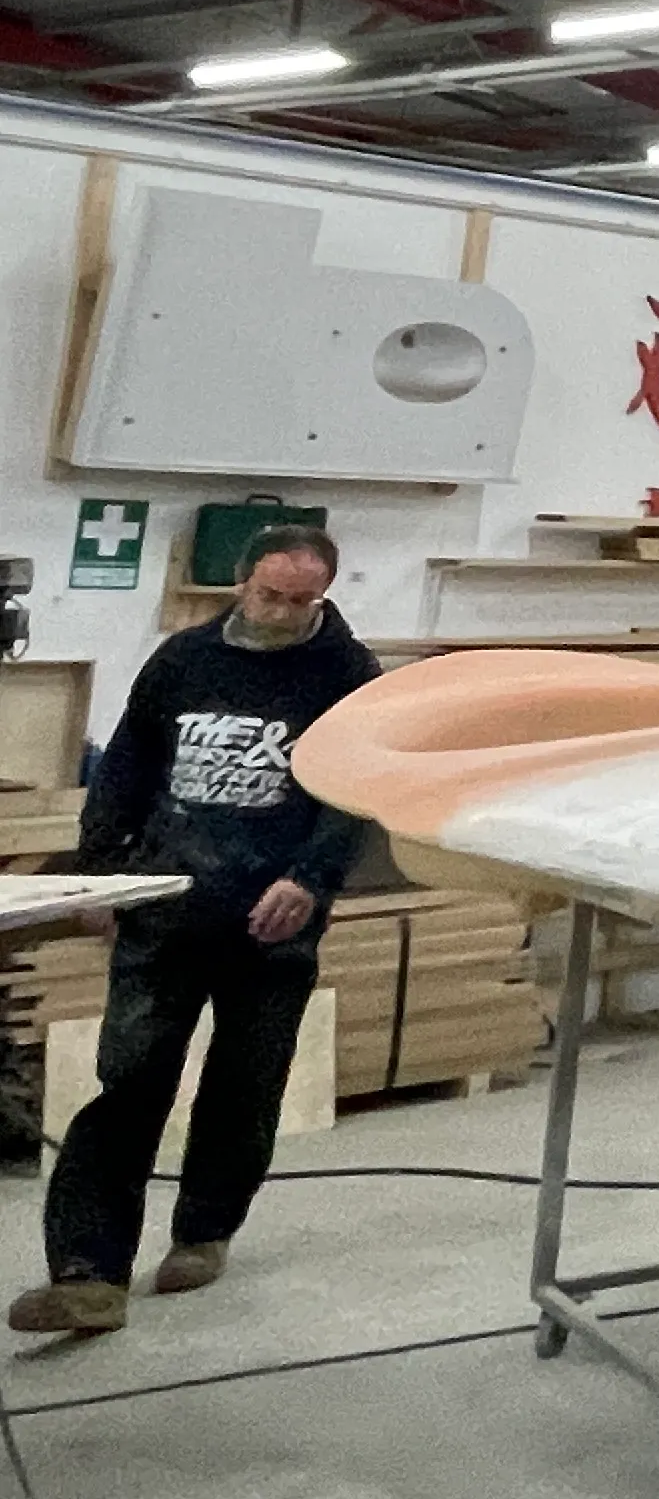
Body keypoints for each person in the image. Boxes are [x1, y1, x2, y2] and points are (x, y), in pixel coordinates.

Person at [9, 526, 379, 1337]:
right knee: (128, 1082)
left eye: (301, 601)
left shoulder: (346, 672)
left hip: (272, 919)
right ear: (240, 582)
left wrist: (310, 880)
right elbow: (127, 769)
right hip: (169, 905)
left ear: (324, 593)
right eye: (269, 595)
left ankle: (204, 1231)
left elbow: (353, 790)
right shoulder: (182, 660)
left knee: (246, 1084)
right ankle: (88, 1274)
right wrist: (104, 874)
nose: (282, 613)